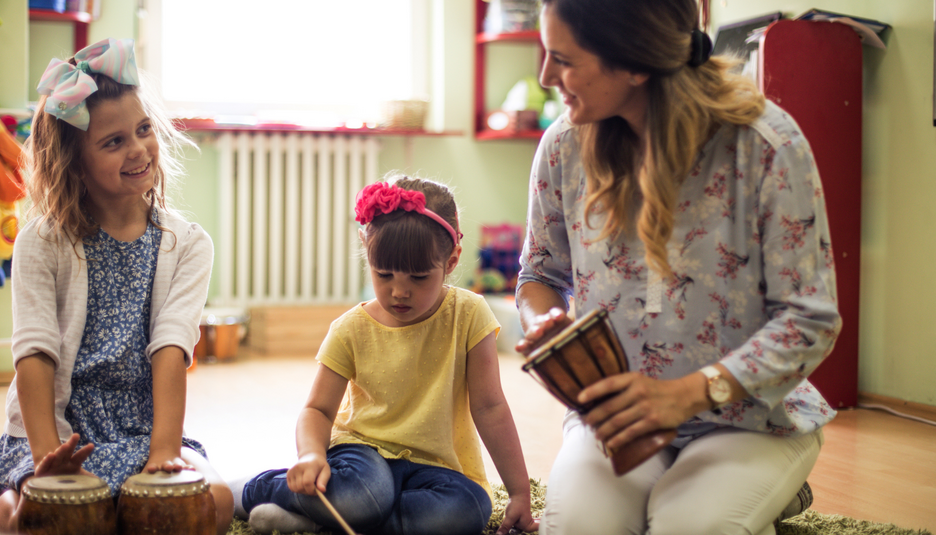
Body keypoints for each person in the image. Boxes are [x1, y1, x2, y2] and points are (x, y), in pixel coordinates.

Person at [514, 1, 842, 534]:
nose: (546, 76)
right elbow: (538, 275)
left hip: (751, 421)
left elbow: (810, 320)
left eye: (562, 59)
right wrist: (544, 324)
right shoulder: (563, 147)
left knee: (685, 527)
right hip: (618, 422)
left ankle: (766, 491)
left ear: (636, 65)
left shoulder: (766, 145)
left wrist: (684, 395)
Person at [0, 38, 234, 534]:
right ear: (75, 161)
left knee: (218, 504)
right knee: (33, 520)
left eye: (143, 129)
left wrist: (164, 452)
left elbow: (171, 349)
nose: (138, 148)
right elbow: (34, 353)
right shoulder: (42, 240)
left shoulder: (187, 245)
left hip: (143, 428)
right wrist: (44, 462)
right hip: (59, 428)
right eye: (113, 141)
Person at [230, 175, 539, 535]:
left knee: (469, 509)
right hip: (362, 455)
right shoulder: (350, 329)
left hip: (436, 466)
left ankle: (320, 523)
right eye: (384, 274)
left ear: (451, 260)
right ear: (367, 249)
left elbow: (490, 407)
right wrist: (312, 455)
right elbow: (317, 409)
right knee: (363, 496)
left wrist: (518, 491)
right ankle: (254, 490)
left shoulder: (470, 315)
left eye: (419, 277)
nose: (399, 291)